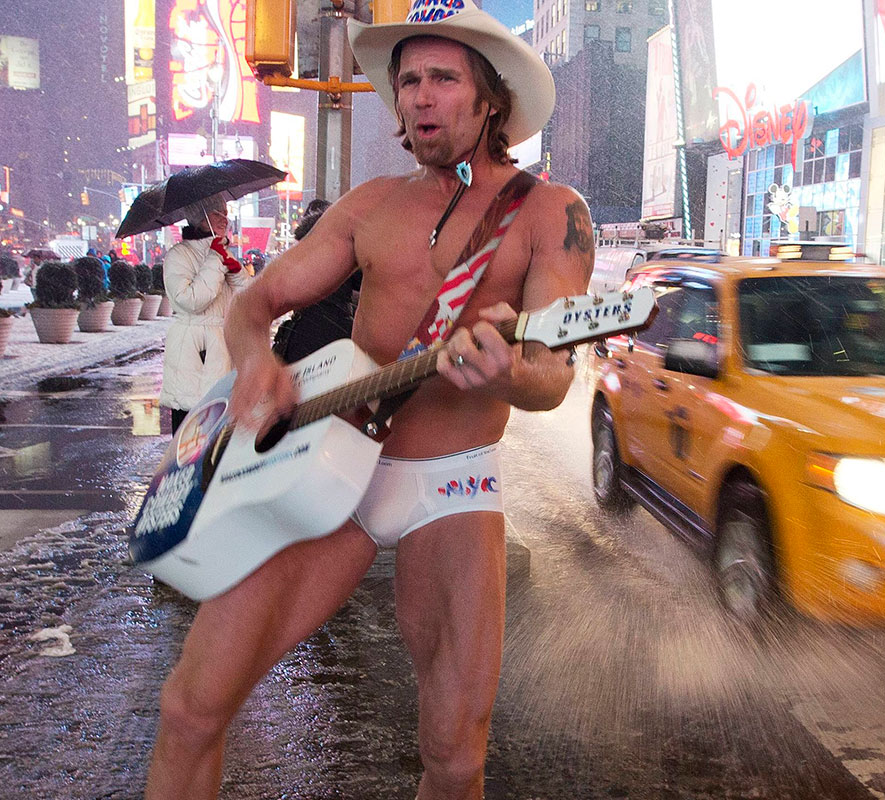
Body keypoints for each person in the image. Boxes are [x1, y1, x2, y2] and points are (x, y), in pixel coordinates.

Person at [144, 2, 594, 798]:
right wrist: (254, 367)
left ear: (490, 97)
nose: (420, 97)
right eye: (409, 80)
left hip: (451, 482)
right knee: (189, 707)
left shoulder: (551, 214)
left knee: (454, 760)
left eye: (444, 78)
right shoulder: (369, 205)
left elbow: (552, 377)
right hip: (331, 464)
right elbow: (255, 307)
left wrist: (507, 374)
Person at [159, 194, 251, 432]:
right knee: (191, 435)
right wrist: (215, 260)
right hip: (194, 351)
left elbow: (249, 298)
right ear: (199, 217)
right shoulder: (180, 255)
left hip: (223, 346)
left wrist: (237, 271)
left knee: (221, 434)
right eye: (216, 213)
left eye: (225, 212)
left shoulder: (221, 251)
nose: (225, 219)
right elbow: (190, 300)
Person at [270, 198, 364, 364]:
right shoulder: (344, 255)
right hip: (338, 331)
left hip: (302, 331)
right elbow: (363, 282)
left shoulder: (295, 258)